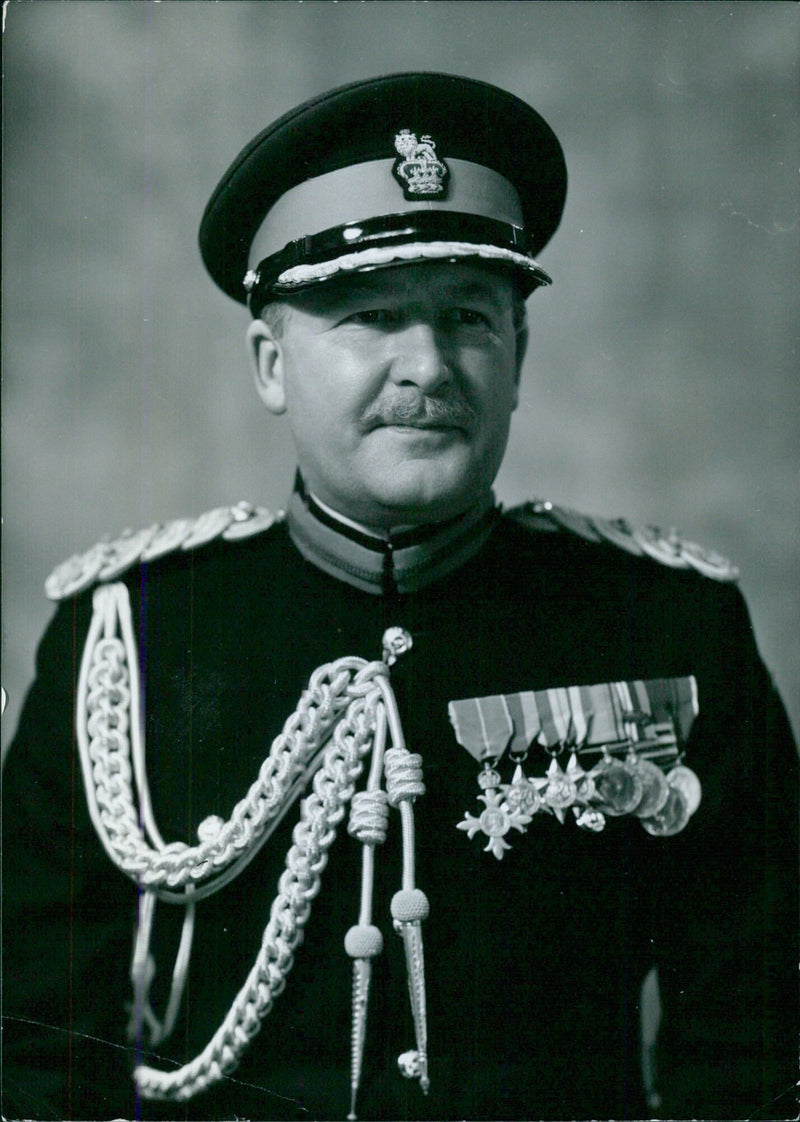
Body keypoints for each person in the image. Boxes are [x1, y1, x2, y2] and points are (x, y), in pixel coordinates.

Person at [2, 71, 797, 1122]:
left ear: (517, 358)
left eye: (467, 316)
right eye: (371, 317)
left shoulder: (663, 622)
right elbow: (32, 1054)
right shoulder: (129, 636)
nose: (427, 366)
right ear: (270, 364)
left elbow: (750, 1048)